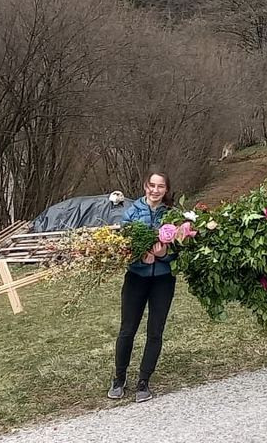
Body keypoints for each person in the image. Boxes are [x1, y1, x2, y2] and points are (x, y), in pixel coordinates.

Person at [109, 172, 175, 403]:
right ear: (145, 186)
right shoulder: (131, 213)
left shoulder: (172, 216)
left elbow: (181, 253)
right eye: (152, 185)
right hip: (136, 278)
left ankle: (144, 381)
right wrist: (140, 258)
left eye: (161, 187)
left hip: (163, 280)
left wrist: (163, 254)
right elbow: (123, 248)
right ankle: (119, 378)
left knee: (155, 331)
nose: (155, 190)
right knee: (128, 329)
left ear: (166, 190)